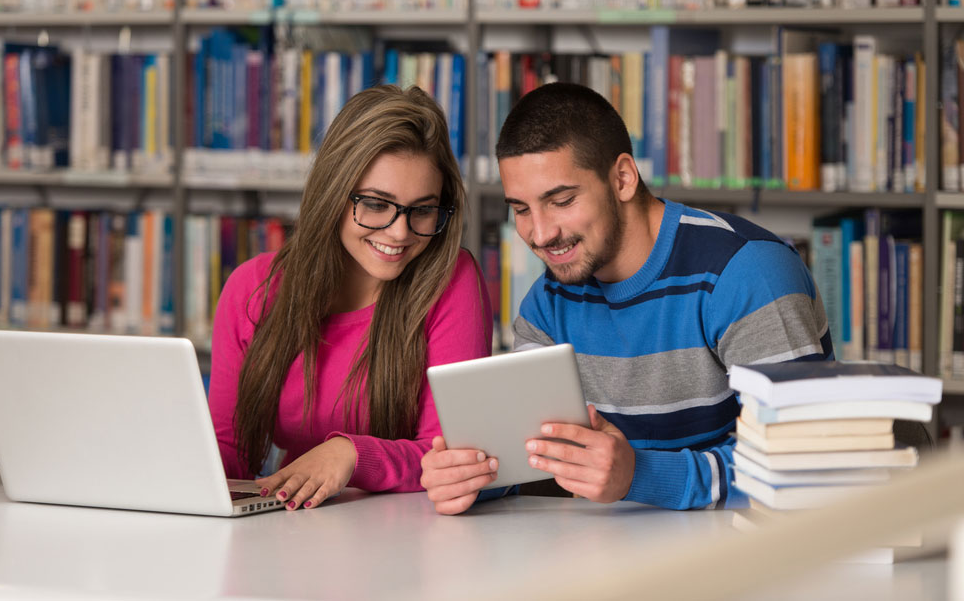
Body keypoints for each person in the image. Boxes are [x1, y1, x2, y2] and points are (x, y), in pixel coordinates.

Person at [421, 82, 831, 515]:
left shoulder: (747, 273)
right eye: (521, 210)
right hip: (613, 561)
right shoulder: (548, 301)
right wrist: (472, 478)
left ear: (622, 178)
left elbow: (802, 460)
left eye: (561, 201)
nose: (540, 234)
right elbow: (535, 458)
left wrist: (639, 476)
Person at [210, 85, 492, 511]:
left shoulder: (452, 281)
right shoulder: (252, 289)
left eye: (422, 210)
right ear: (333, 194)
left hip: (407, 537)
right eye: (377, 204)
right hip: (291, 528)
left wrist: (351, 455)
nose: (400, 233)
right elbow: (227, 450)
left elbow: (452, 459)